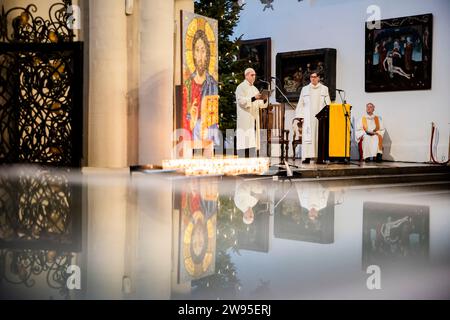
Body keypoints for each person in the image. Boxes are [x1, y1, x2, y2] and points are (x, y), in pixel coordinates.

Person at [182, 29, 219, 145]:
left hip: (207, 131)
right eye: (197, 50)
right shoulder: (187, 83)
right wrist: (191, 116)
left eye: (203, 51)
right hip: (191, 134)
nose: (200, 56)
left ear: (207, 54)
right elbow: (186, 116)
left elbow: (213, 114)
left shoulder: (212, 83)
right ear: (193, 53)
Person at [292, 72, 331, 164]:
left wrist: (327, 115)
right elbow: (300, 103)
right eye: (311, 77)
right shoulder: (304, 89)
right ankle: (307, 157)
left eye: (315, 77)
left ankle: (320, 157)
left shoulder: (324, 89)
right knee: (308, 137)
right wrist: (300, 117)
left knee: (319, 136)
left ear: (319, 78)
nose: (313, 79)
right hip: (308, 117)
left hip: (320, 118)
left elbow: (328, 103)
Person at [235, 68, 268, 157]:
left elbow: (260, 104)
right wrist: (254, 98)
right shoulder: (240, 87)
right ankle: (242, 157)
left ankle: (252, 157)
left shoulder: (255, 89)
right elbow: (241, 101)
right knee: (244, 139)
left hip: (254, 117)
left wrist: (264, 99)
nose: (254, 77)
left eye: (254, 75)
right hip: (245, 117)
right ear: (246, 76)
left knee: (252, 139)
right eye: (252, 75)